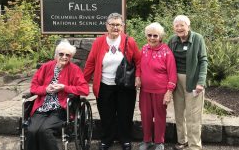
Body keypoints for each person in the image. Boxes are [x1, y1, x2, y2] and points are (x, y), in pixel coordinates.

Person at [84, 13, 141, 150]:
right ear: (107, 26)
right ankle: (106, 139)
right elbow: (91, 63)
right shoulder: (99, 42)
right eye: (112, 24)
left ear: (122, 26)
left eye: (118, 25)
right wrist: (83, 82)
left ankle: (125, 139)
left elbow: (138, 61)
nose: (115, 27)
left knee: (125, 114)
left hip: (125, 85)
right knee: (106, 114)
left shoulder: (129, 41)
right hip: (104, 85)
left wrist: (138, 76)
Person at [26, 39, 89, 150]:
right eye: (61, 54)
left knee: (45, 130)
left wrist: (64, 87)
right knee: (32, 130)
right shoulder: (46, 67)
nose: (64, 57)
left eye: (67, 55)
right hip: (42, 107)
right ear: (56, 55)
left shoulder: (75, 70)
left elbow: (84, 90)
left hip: (61, 108)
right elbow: (34, 87)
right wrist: (45, 89)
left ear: (71, 57)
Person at [167, 15, 208, 150]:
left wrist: (201, 81)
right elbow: (166, 60)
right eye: (177, 26)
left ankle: (195, 145)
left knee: (193, 115)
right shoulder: (172, 41)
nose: (179, 28)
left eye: (182, 25)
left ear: (188, 26)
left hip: (193, 81)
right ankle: (182, 140)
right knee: (179, 113)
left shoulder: (197, 38)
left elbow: (203, 60)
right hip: (175, 81)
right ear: (174, 28)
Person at [138, 22, 177, 150]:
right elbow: (138, 66)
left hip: (160, 91)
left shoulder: (166, 52)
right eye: (149, 35)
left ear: (160, 37)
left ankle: (159, 142)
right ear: (146, 36)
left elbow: (172, 74)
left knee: (160, 117)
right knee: (145, 116)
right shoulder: (144, 49)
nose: (152, 38)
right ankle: (147, 140)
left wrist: (169, 92)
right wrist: (137, 77)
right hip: (144, 90)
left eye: (155, 35)